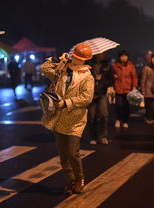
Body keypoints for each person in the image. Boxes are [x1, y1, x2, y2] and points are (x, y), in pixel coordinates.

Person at [40, 43, 94, 194]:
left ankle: (79, 178)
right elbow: (44, 68)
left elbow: (87, 98)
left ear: (85, 60)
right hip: (58, 117)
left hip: (75, 120)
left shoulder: (87, 76)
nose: (75, 60)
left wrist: (66, 102)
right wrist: (59, 60)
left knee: (72, 152)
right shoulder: (62, 69)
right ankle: (70, 180)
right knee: (63, 155)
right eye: (75, 56)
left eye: (79, 58)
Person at [87, 53, 114, 145]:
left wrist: (102, 81)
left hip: (102, 93)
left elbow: (111, 80)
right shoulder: (88, 66)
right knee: (91, 117)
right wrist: (94, 80)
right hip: (91, 94)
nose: (100, 55)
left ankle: (103, 136)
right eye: (98, 53)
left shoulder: (107, 66)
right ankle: (93, 137)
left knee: (104, 115)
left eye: (102, 53)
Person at [112, 50, 138, 128]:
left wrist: (134, 86)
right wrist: (114, 76)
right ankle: (118, 119)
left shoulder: (131, 66)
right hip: (118, 88)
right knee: (119, 105)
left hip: (128, 89)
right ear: (119, 57)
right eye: (122, 56)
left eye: (125, 56)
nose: (124, 57)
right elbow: (111, 75)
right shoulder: (115, 66)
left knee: (126, 106)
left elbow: (134, 77)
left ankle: (125, 121)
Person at [141, 53, 154, 124]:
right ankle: (149, 118)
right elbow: (143, 80)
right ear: (149, 60)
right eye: (153, 58)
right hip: (148, 90)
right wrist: (143, 91)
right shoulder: (146, 68)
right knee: (148, 106)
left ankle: (152, 117)